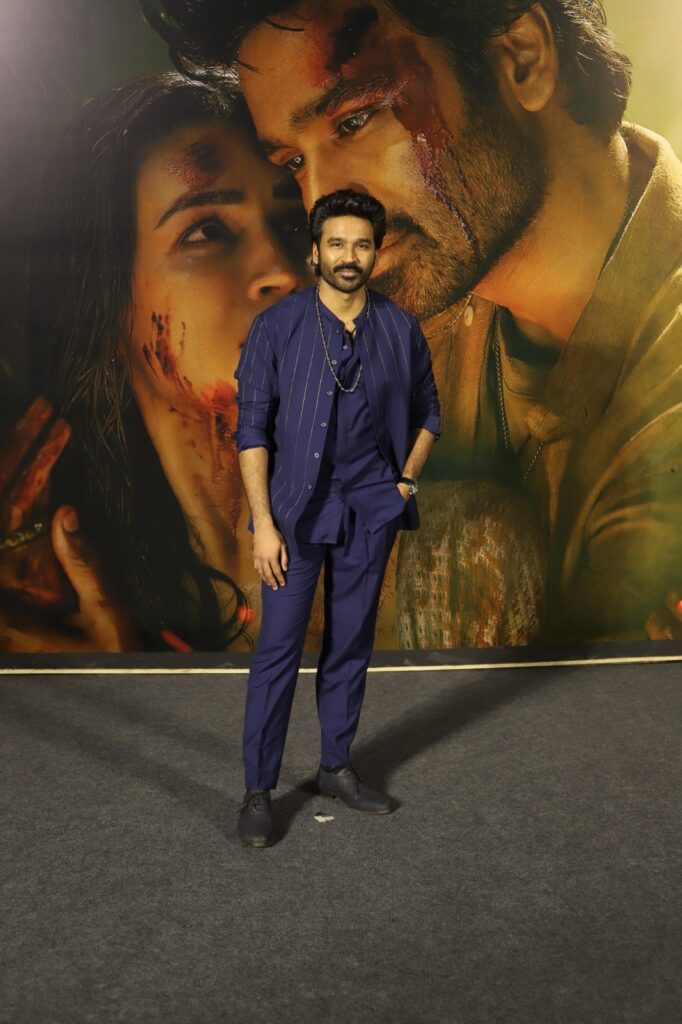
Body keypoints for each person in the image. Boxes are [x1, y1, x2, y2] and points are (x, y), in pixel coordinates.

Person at [144, 0, 682, 644]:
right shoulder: (415, 303)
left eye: (354, 121)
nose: (324, 208)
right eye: (293, 162)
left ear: (522, 58)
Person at [0, 72, 309, 652]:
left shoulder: (434, 549)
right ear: (110, 304)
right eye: (207, 230)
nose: (285, 271)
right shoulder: (51, 594)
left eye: (295, 221)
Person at [234, 189, 439, 846]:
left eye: (362, 245)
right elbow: (251, 431)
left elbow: (429, 414)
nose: (349, 256)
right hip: (294, 518)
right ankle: (259, 791)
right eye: (337, 243)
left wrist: (405, 483)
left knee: (351, 645)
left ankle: (335, 768)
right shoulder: (276, 327)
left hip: (371, 514)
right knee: (277, 652)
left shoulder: (400, 328)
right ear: (315, 252)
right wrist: (264, 524)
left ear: (376, 253)